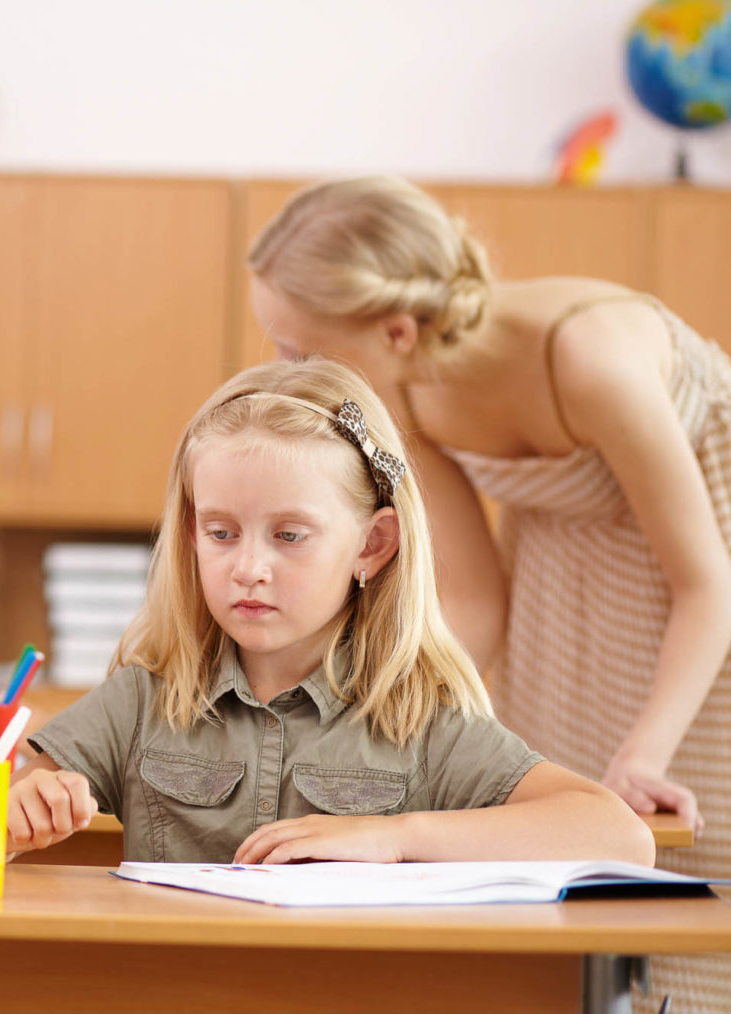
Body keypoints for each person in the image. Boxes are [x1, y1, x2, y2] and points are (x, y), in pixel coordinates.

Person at [247, 176, 731, 1010]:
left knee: (684, 820)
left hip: (703, 567)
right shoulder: (399, 387)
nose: (292, 377)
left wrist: (645, 751)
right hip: (568, 581)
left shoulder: (591, 357)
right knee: (570, 833)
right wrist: (375, 728)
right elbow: (475, 603)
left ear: (397, 329)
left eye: (302, 354)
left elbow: (706, 583)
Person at [8, 358, 654, 872]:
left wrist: (396, 837)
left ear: (371, 546)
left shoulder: (418, 721)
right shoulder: (145, 700)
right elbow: (3, 813)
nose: (248, 568)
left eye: (289, 536)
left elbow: (620, 836)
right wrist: (24, 805)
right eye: (221, 533)